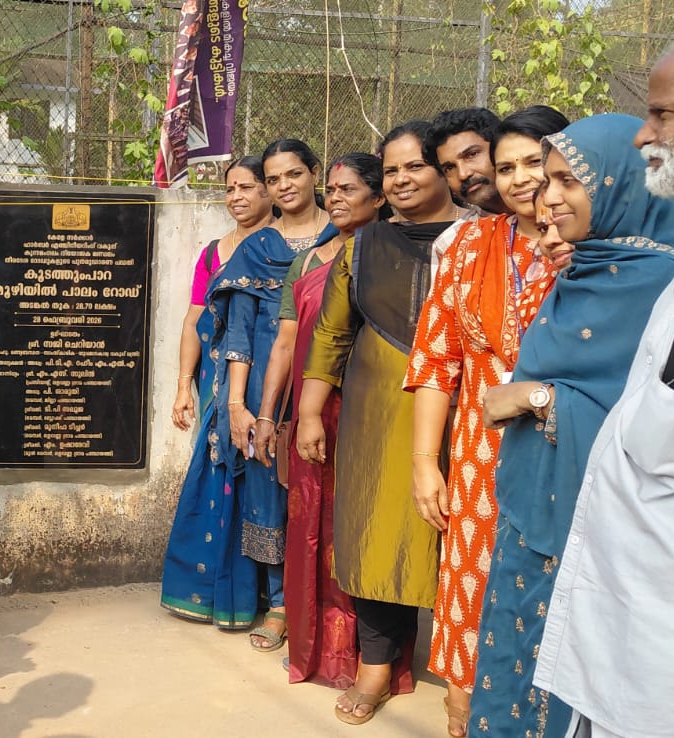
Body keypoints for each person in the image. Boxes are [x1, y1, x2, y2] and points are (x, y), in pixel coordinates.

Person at [467, 113, 674, 738]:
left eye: (570, 181)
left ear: (619, 185)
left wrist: (535, 399)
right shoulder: (588, 269)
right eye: (549, 180)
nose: (548, 197)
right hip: (533, 513)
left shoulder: (653, 286)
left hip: (601, 539)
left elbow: (640, 427)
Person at [296, 120, 470, 725]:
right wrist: (311, 411)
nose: (399, 180)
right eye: (390, 170)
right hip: (376, 411)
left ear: (443, 171)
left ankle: (461, 678)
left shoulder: (484, 237)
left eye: (413, 167)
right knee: (374, 537)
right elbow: (332, 332)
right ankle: (376, 669)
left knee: (461, 539)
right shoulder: (364, 245)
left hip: (465, 415)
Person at [403, 105, 568, 738]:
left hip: (563, 449)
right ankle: (465, 719)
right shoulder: (469, 244)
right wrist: (426, 462)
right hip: (476, 458)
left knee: (549, 595)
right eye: (505, 167)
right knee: (472, 587)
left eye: (534, 162)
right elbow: (436, 357)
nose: (521, 179)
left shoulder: (592, 245)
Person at [535, 46, 674, 738]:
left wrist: (533, 399)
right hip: (622, 632)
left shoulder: (652, 273)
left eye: (662, 114)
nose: (643, 134)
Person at [161, 140, 335, 650]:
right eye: (276, 177)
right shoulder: (256, 249)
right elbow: (235, 332)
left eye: (292, 175)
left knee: (324, 492)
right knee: (269, 492)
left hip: (329, 380)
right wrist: (238, 406)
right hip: (264, 389)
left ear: (314, 173)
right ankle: (280, 604)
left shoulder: (341, 239)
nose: (284, 186)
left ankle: (325, 607)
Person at [254, 152, 387, 688]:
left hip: (374, 411)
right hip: (314, 413)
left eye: (348, 188)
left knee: (361, 529)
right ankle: (314, 650)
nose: (335, 198)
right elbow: (286, 342)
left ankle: (369, 656)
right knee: (310, 528)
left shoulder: (394, 254)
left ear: (379, 198)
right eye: (331, 188)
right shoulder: (308, 262)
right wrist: (270, 415)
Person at [171, 156, 274, 432]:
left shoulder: (284, 250)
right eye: (230, 190)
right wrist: (183, 386)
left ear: (269, 191)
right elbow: (194, 321)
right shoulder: (212, 255)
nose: (236, 197)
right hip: (215, 380)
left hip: (268, 378)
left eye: (246, 188)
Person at [428, 107, 509, 215]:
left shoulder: (538, 210)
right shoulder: (461, 232)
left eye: (472, 154)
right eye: (450, 168)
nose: (463, 175)